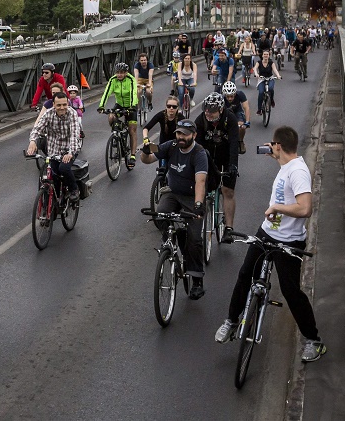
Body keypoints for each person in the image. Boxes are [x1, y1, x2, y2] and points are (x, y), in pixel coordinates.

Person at [214, 126, 326, 362]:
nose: (271, 148)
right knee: (245, 274)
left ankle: (313, 341)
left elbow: (305, 208)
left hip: (289, 241)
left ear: (278, 145)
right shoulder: (286, 164)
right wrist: (275, 155)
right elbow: (284, 170)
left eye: (273, 145)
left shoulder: (298, 171)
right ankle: (231, 321)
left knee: (291, 292)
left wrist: (276, 208)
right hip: (266, 234)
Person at [139, 119, 208, 299]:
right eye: (179, 133)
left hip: (192, 197)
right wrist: (145, 152)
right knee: (160, 216)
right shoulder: (171, 146)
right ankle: (169, 241)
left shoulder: (199, 153)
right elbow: (147, 160)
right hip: (172, 192)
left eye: (185, 134)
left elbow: (200, 182)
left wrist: (199, 206)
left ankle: (197, 279)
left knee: (194, 239)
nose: (181, 137)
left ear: (194, 135)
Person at [195, 92, 240, 237]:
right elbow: (197, 146)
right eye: (206, 110)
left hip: (226, 157)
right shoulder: (201, 120)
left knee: (228, 191)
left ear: (220, 110)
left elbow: (234, 143)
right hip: (208, 157)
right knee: (202, 187)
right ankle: (197, 220)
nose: (208, 113)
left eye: (212, 111)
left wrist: (233, 165)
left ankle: (228, 228)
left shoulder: (230, 118)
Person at [27, 92, 83, 202]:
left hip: (69, 148)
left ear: (68, 104)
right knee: (53, 174)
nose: (62, 108)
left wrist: (70, 153)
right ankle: (55, 204)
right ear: (53, 104)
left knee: (64, 168)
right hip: (54, 150)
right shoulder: (48, 114)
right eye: (58, 105)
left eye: (64, 105)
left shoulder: (72, 114)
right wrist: (33, 141)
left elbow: (74, 134)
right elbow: (37, 129)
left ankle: (74, 189)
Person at [97, 62, 140, 162]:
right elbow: (106, 93)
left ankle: (133, 156)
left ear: (126, 73)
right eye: (117, 72)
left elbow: (134, 93)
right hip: (120, 104)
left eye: (121, 72)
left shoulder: (131, 80)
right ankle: (116, 134)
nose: (119, 75)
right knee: (111, 117)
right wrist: (101, 106)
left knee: (132, 130)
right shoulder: (113, 80)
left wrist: (133, 106)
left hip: (131, 104)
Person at [222, 81, 251, 155]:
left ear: (235, 94)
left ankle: (240, 141)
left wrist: (247, 122)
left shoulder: (240, 94)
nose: (230, 98)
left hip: (237, 112)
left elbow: (246, 108)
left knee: (241, 126)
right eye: (228, 96)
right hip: (226, 112)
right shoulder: (221, 98)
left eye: (232, 96)